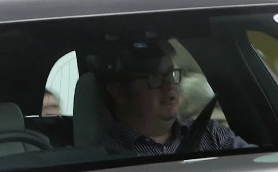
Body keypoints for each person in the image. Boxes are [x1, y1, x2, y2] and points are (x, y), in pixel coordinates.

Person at [104, 56, 249, 155]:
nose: (169, 85)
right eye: (155, 77)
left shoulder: (211, 134)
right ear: (119, 92)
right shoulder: (102, 154)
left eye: (170, 74)